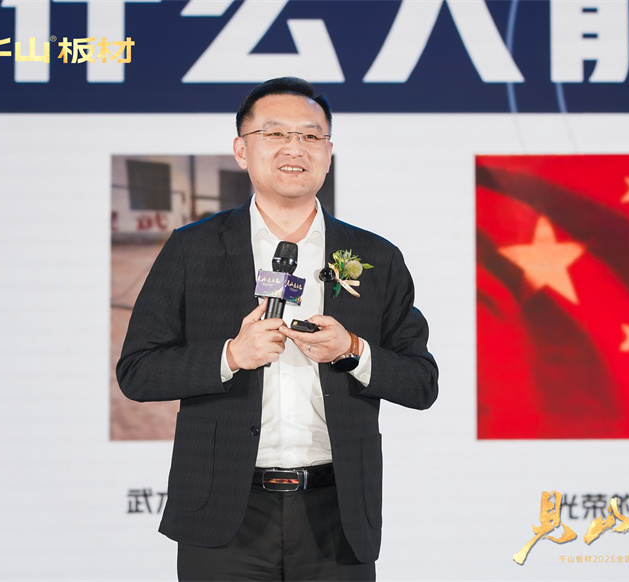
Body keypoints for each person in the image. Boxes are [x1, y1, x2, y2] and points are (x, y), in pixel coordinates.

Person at [117, 77, 438, 580]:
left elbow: (421, 383)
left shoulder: (375, 257)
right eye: (275, 134)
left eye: (310, 136)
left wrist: (353, 350)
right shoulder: (192, 248)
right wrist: (230, 356)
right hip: (223, 511)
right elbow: (137, 372)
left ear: (328, 154)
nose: (294, 147)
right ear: (241, 150)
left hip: (337, 514)